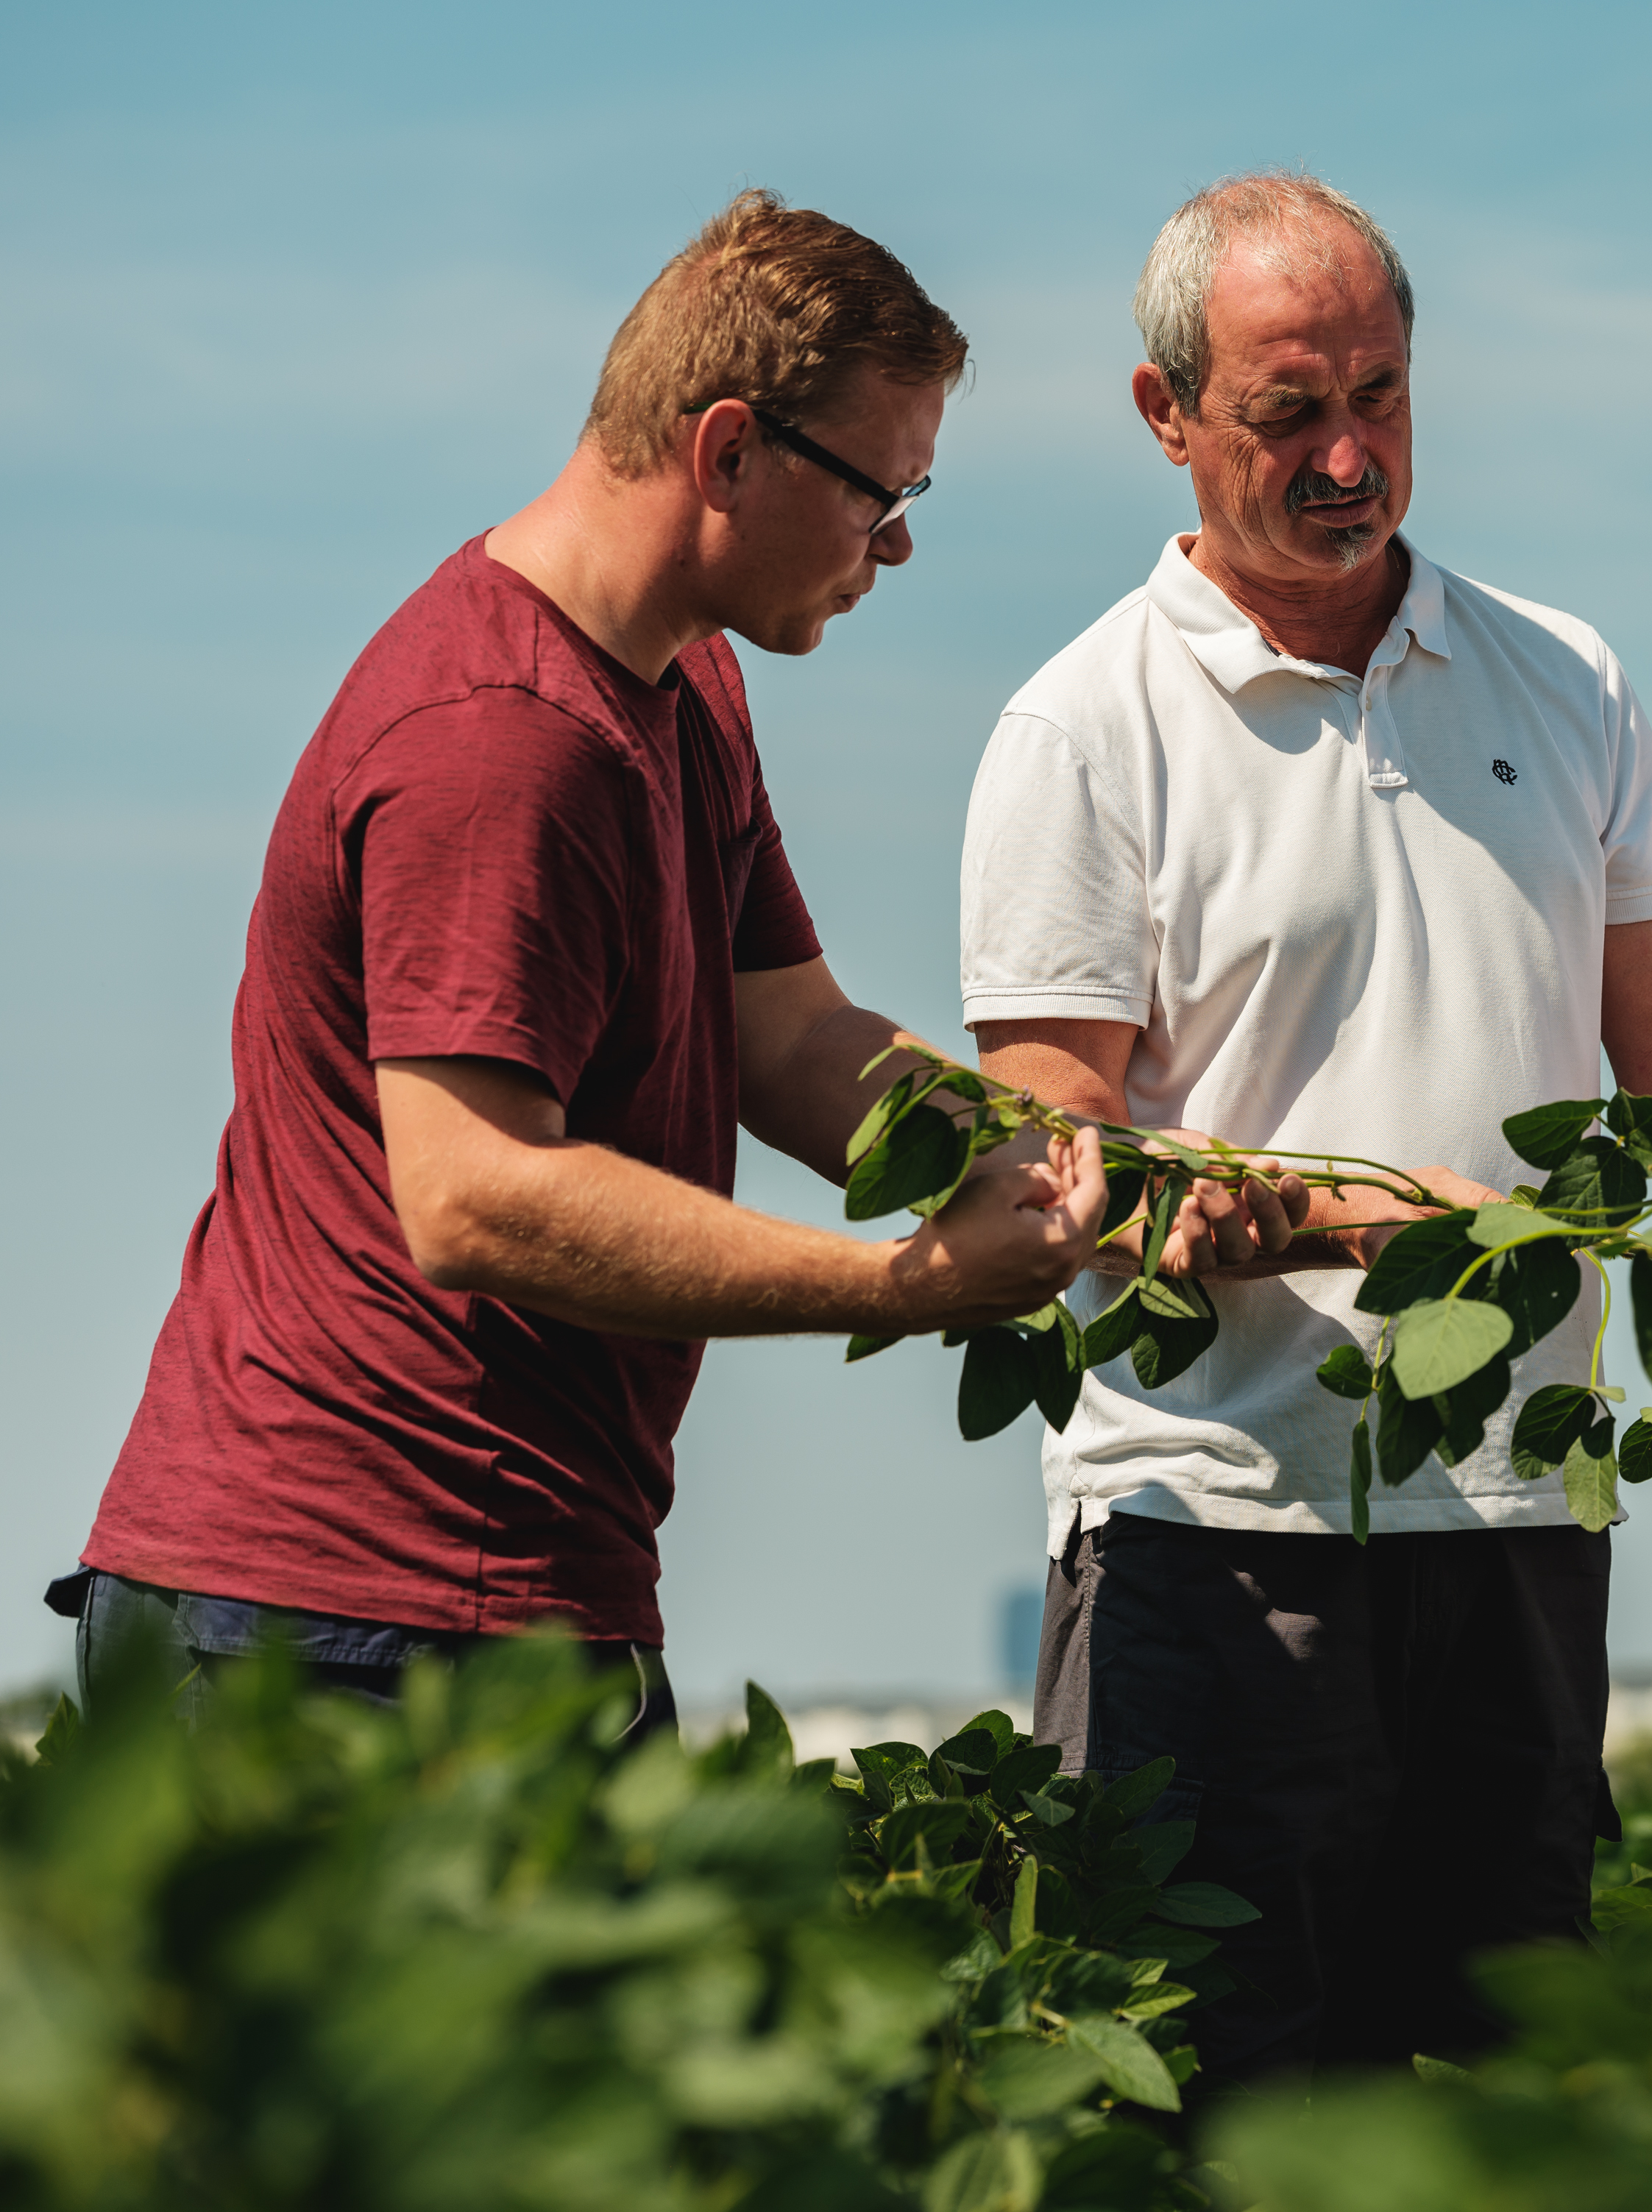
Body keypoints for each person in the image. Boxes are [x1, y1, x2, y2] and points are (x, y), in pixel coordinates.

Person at [56, 194, 1110, 1737]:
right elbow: (474, 1191)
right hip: (325, 1622)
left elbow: (793, 1042)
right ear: (728, 451)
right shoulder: (503, 737)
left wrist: (1076, 1166)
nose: (895, 544)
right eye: (882, 492)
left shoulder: (688, 685)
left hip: (506, 1593)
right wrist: (908, 1281)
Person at [956, 171, 1652, 2082]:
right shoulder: (1084, 729)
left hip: (1511, 1513)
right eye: (1287, 412)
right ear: (1165, 416)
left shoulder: (1564, 678)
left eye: (1383, 397)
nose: (1348, 455)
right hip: (1216, 1523)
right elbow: (1049, 1135)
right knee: (1211, 2106)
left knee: (1496, 2111)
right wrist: (1235, 1214)